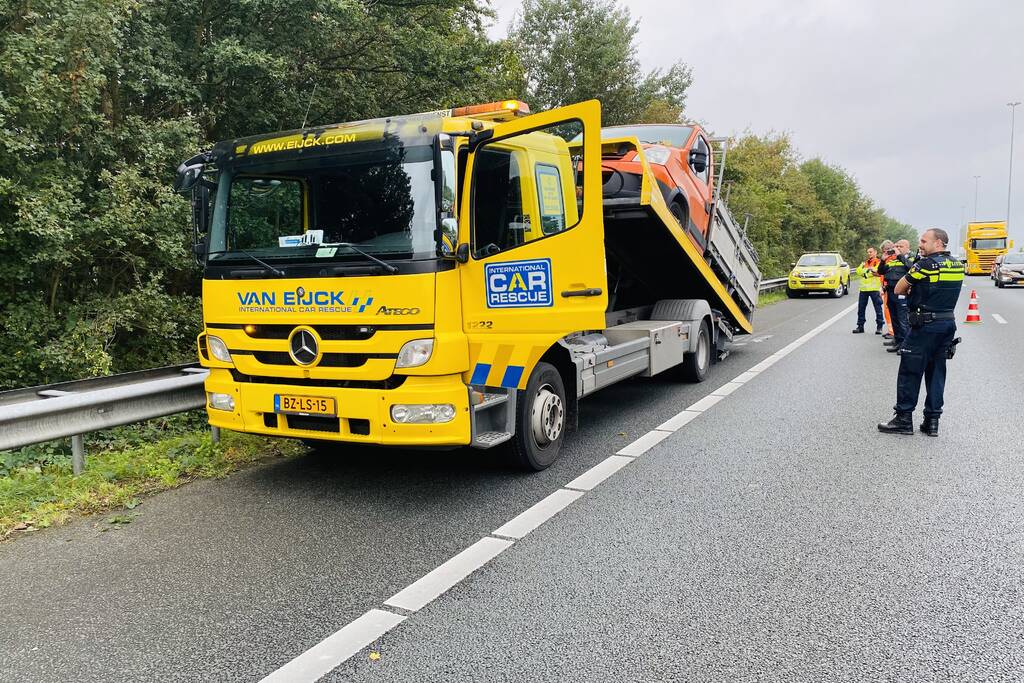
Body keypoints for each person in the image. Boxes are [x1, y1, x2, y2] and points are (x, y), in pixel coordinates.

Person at [877, 228, 964, 436]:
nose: (921, 245)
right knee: (936, 372)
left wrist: (912, 289)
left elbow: (898, 288)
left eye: (925, 241)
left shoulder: (925, 265)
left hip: (925, 325)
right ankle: (932, 422)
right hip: (947, 325)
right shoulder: (957, 265)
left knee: (909, 371)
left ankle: (904, 419)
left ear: (939, 243)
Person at [878, 238, 912, 352]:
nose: (897, 248)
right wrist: (883, 260)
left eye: (900, 246)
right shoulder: (893, 260)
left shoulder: (910, 258)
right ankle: (898, 341)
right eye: (896, 246)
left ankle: (905, 345)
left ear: (907, 248)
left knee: (903, 320)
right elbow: (881, 272)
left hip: (903, 293)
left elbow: (911, 268)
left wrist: (900, 256)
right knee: (895, 319)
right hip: (891, 291)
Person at [852, 247, 884, 334]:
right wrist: (868, 271)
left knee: (878, 308)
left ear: (875, 252)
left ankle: (879, 327)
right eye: (868, 252)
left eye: (871, 252)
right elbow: (858, 271)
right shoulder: (865, 262)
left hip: (874, 289)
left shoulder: (879, 262)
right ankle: (860, 326)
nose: (869, 253)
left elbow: (877, 271)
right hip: (863, 289)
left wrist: (865, 272)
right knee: (861, 309)